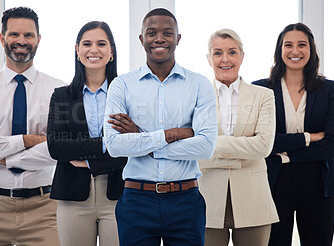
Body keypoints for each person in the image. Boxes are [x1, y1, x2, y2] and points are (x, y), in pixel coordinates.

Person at [103, 8, 218, 246]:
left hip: (185, 201)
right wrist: (172, 134)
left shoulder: (199, 85)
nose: (159, 38)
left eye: (167, 33)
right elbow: (114, 145)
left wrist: (142, 140)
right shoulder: (121, 85)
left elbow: (205, 147)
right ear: (141, 39)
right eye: (151, 32)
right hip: (137, 201)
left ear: (178, 38)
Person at [0, 7, 65, 246]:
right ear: (1, 38)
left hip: (44, 208)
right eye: (14, 34)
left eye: (28, 35)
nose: (21, 41)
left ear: (38, 39)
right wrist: (29, 140)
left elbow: (60, 150)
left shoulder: (58, 91)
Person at [253, 23, 334, 246]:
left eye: (302, 45)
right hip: (274, 183)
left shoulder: (329, 90)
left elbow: (332, 146)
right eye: (289, 45)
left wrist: (284, 152)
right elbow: (261, 142)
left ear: (311, 50)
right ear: (280, 50)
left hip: (319, 183)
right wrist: (309, 137)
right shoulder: (261, 90)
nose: (295, 51)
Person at [46, 21, 127, 246]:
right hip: (72, 195)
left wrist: (92, 163)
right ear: (77, 50)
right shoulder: (61, 96)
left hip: (118, 194)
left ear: (111, 51)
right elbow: (56, 146)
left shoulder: (127, 95)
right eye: (87, 44)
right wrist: (105, 144)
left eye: (101, 44)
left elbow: (133, 147)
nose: (94, 50)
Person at [198, 29, 279, 246]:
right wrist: (243, 149)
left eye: (232, 52)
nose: (225, 59)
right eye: (218, 53)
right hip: (207, 199)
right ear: (209, 58)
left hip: (254, 200)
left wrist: (210, 144)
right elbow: (192, 149)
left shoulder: (264, 95)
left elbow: (263, 146)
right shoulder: (195, 97)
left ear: (242, 56)